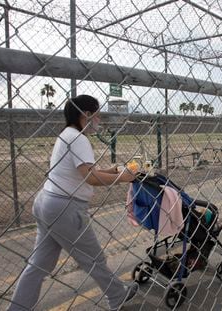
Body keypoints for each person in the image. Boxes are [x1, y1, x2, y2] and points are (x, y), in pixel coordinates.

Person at [8, 95, 138, 311]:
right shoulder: (79, 139)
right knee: (93, 257)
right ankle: (117, 296)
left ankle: (17, 308)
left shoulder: (67, 135)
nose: (99, 119)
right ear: (86, 115)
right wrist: (123, 178)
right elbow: (90, 178)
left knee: (39, 265)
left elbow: (83, 172)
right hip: (65, 207)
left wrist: (112, 170)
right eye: (96, 114)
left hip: (47, 202)